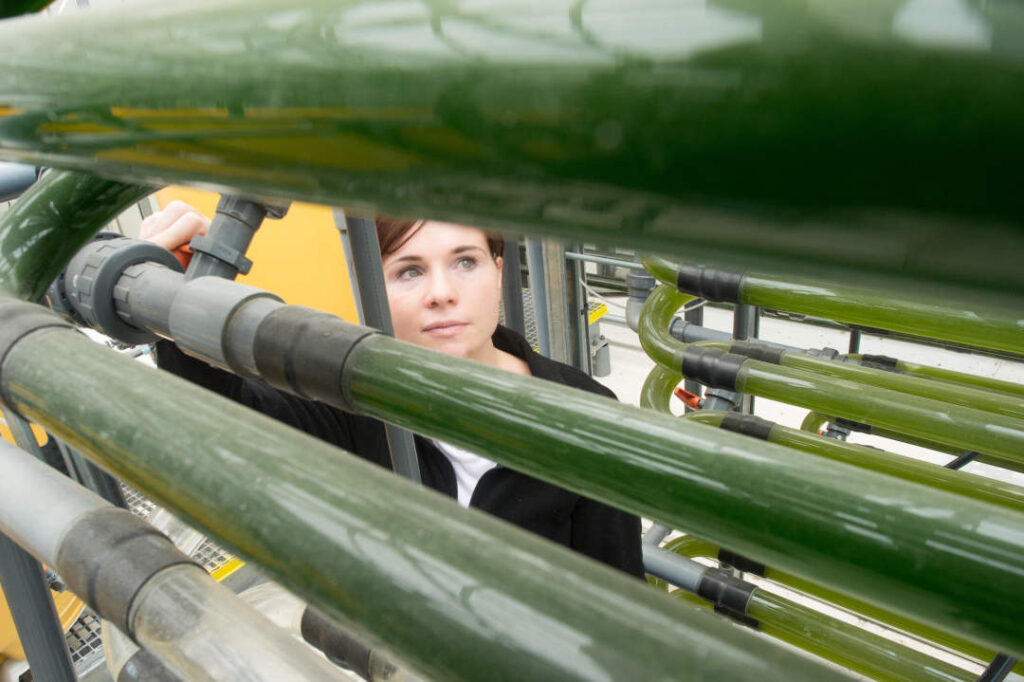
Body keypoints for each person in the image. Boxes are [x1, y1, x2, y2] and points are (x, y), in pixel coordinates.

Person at [142, 202, 643, 577]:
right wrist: (184, 295)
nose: (442, 293)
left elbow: (623, 615)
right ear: (374, 287)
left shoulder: (587, 416)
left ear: (498, 268)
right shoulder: (353, 395)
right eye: (409, 271)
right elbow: (225, 415)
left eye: (465, 261)